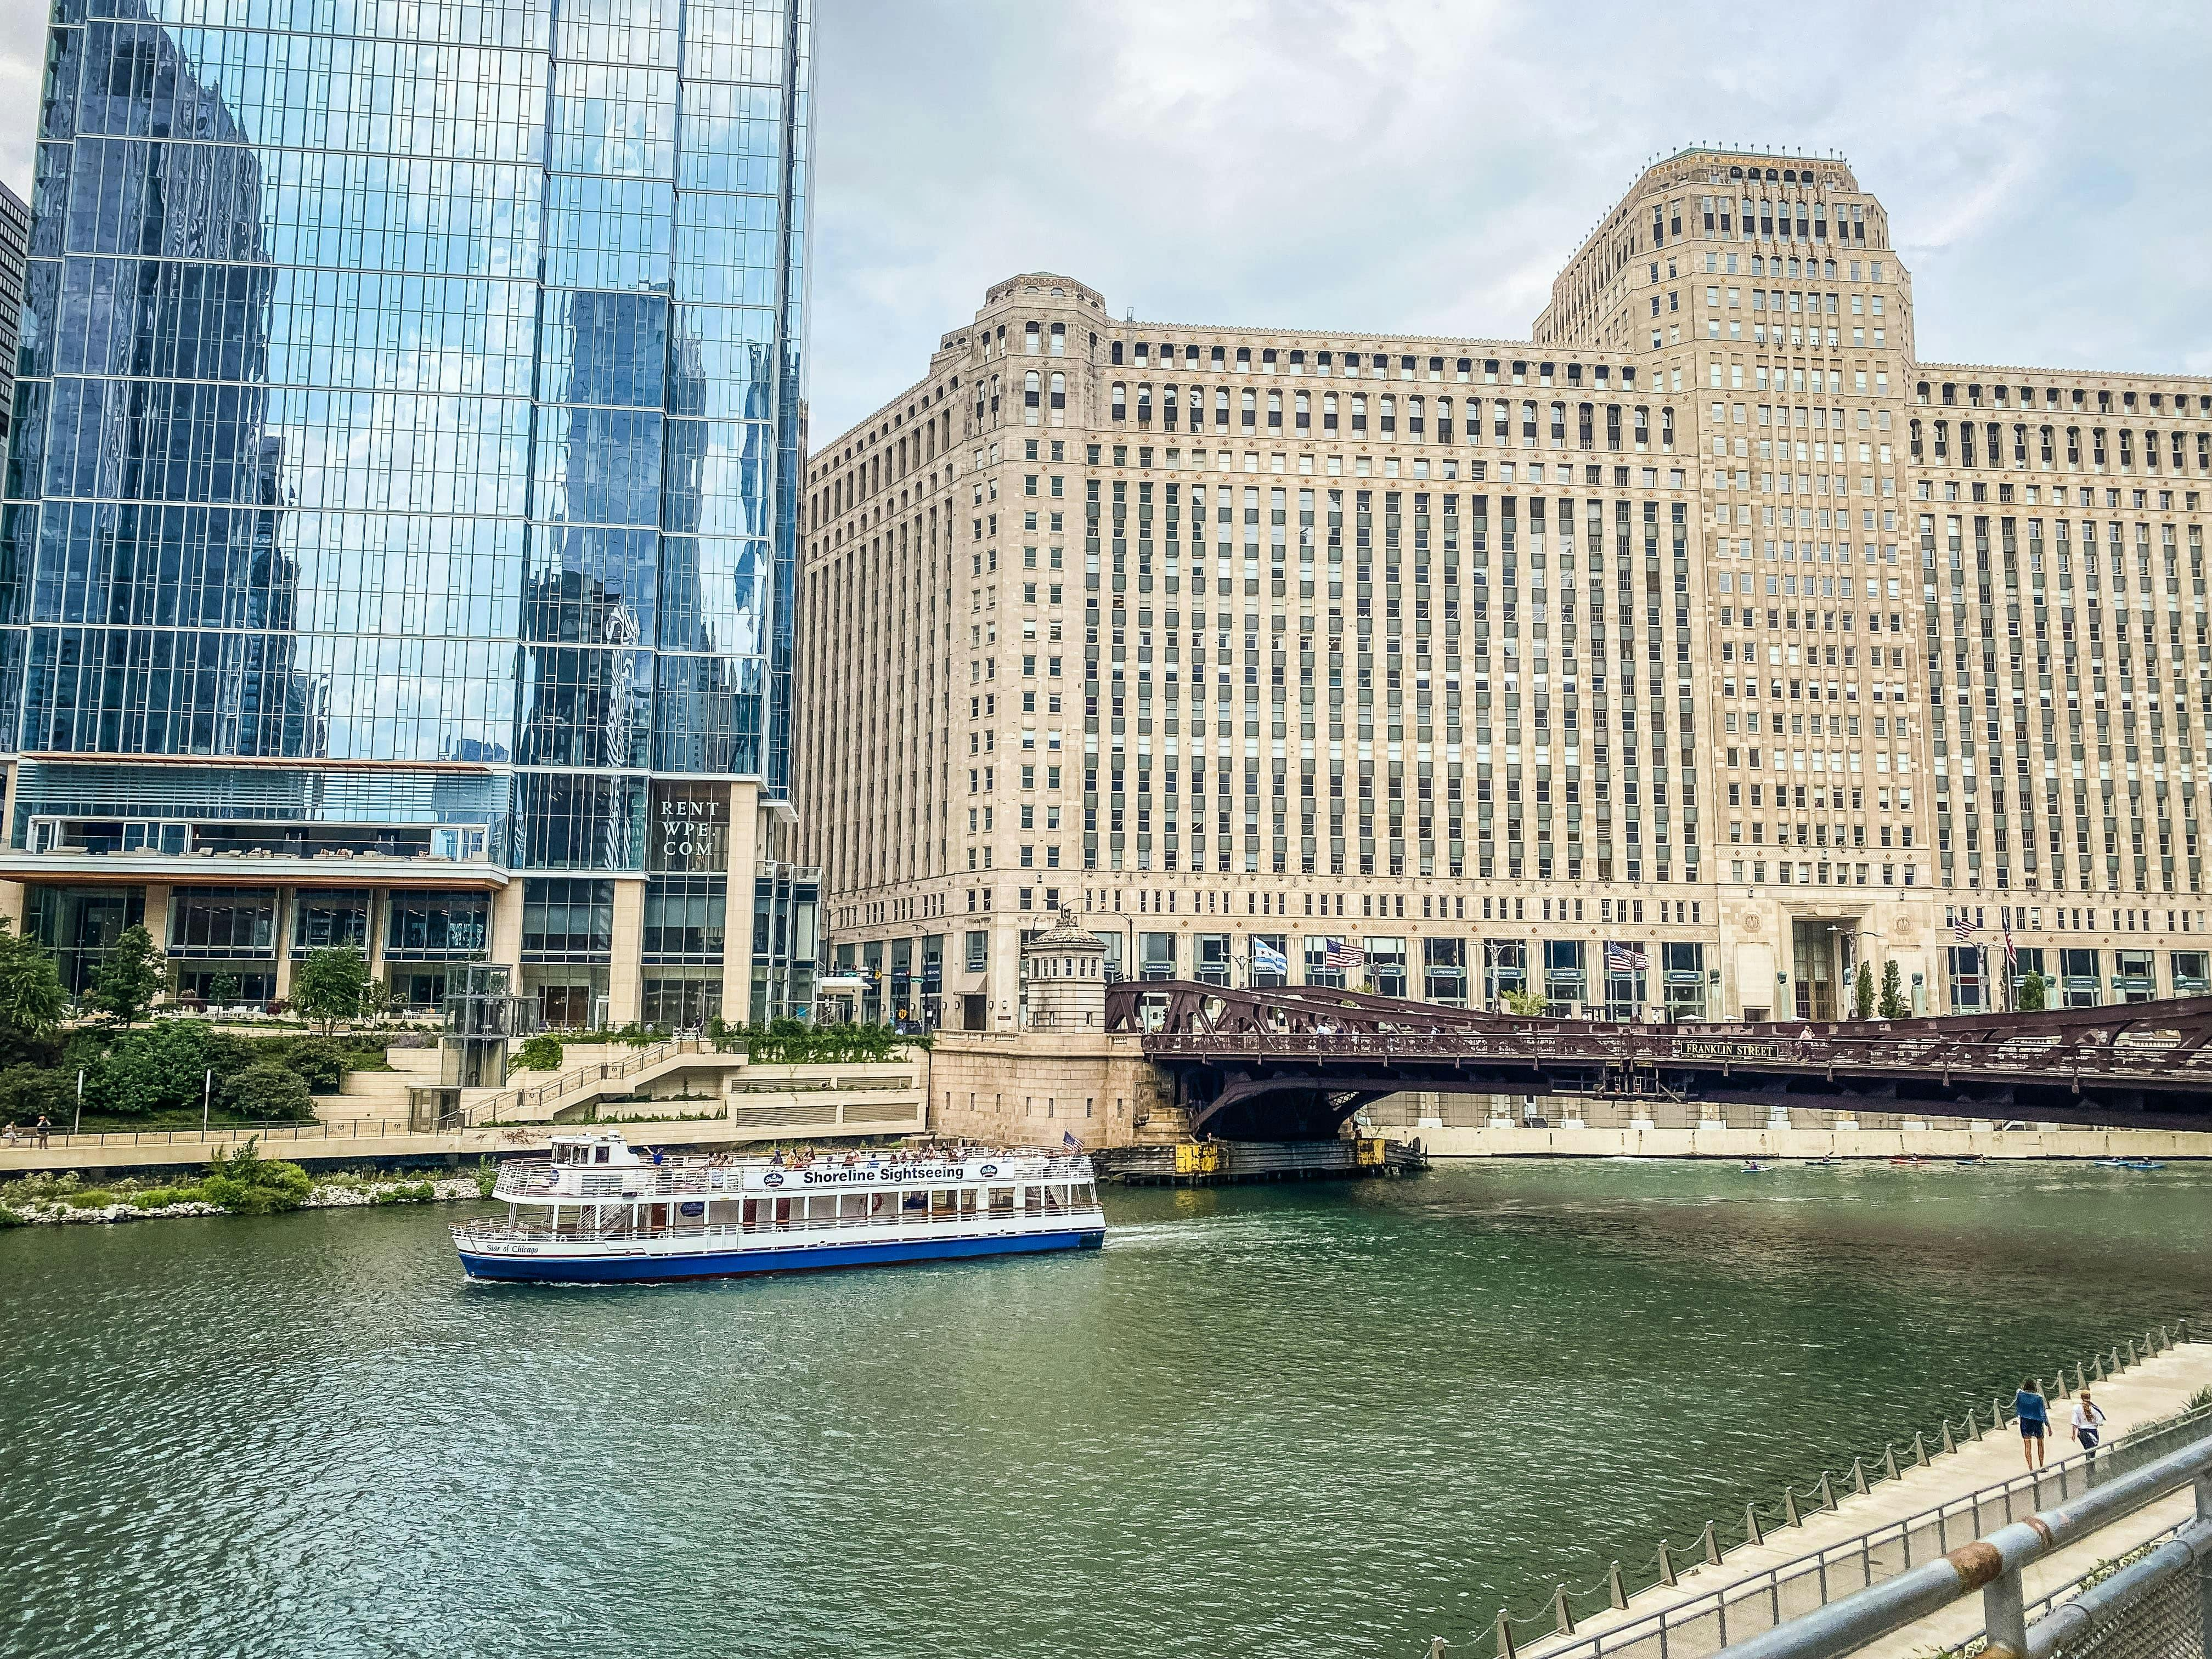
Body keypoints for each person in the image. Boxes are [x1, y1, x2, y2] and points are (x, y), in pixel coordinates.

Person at [2014, 1379, 2051, 1470]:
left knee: (2027, 1446)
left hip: (2025, 1422)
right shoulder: (2039, 1398)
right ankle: (2042, 1466)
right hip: (2037, 1423)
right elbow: (2043, 1413)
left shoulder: (2020, 1395)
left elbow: (2018, 1408)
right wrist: (2048, 1425)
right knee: (2040, 1444)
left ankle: (2031, 1468)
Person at [2073, 1389, 2108, 1465]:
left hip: (2082, 1432)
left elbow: (2075, 1423)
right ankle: (2091, 1467)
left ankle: (2089, 1465)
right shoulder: (2094, 1409)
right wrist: (2094, 1422)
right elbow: (2100, 1422)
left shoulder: (2076, 1408)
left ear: (2081, 1397)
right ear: (2090, 1397)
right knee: (2093, 1451)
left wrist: (2073, 1434)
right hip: (2092, 1432)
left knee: (2087, 1450)